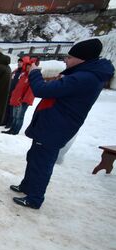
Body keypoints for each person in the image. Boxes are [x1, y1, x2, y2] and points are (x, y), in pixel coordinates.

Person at [11, 38, 114, 209]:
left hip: (55, 127)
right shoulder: (83, 75)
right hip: (52, 124)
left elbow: (41, 90)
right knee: (34, 157)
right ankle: (27, 186)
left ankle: (34, 198)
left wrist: (35, 72)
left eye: (70, 57)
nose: (66, 60)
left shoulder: (84, 78)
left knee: (42, 163)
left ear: (82, 59)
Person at [2, 56, 38, 135]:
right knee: (15, 115)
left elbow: (30, 91)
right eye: (27, 66)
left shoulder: (33, 77)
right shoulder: (24, 75)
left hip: (23, 100)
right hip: (17, 99)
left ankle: (15, 130)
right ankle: (12, 129)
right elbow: (18, 87)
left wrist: (23, 99)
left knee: (19, 116)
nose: (28, 68)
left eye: (30, 67)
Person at [0, 57, 23, 127]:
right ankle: (4, 121)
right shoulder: (15, 71)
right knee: (6, 107)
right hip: (10, 91)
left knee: (12, 109)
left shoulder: (23, 73)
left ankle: (10, 123)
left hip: (16, 93)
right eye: (18, 62)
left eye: (21, 62)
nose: (19, 63)